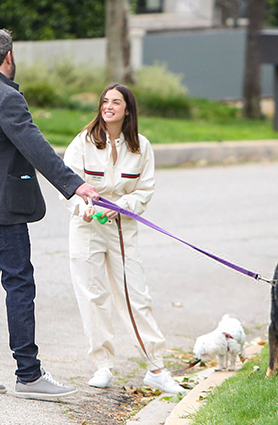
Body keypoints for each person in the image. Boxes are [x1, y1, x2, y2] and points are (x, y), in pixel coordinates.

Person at [0, 29, 99, 399]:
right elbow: (36, 147)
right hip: (2, 209)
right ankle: (29, 375)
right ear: (9, 57)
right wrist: (74, 184)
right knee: (19, 284)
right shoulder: (7, 98)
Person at [61, 83, 186, 394]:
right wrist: (82, 208)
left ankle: (155, 367)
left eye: (116, 102)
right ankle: (103, 365)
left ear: (127, 109)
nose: (108, 106)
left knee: (135, 297)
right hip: (86, 228)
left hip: (122, 229)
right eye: (105, 101)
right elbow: (67, 182)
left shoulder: (141, 147)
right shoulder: (83, 141)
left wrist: (123, 207)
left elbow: (145, 191)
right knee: (93, 297)